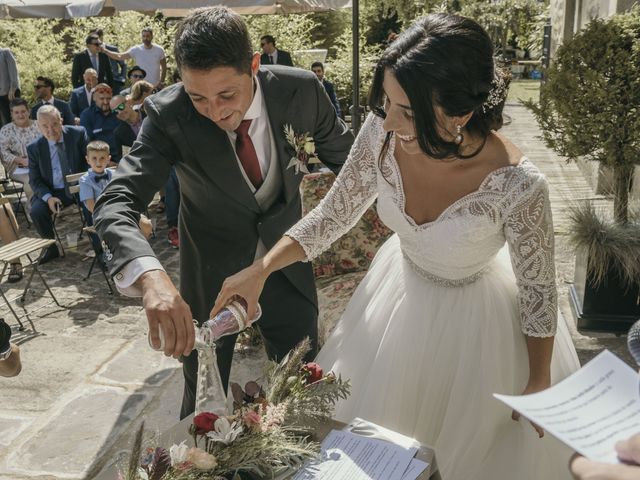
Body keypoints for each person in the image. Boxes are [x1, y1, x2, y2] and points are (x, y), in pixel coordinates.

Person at [213, 13, 581, 480]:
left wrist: (538, 381)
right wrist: (261, 269)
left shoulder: (520, 186)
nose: (386, 121)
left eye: (405, 111)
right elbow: (333, 214)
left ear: (460, 114)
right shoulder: (379, 133)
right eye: (385, 101)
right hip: (395, 303)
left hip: (481, 334)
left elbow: (538, 292)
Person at [93, 6, 353, 420]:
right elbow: (115, 202)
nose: (214, 111)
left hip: (285, 269)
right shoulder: (168, 114)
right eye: (199, 97)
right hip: (208, 280)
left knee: (303, 393)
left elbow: (353, 169)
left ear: (253, 65)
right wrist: (151, 278)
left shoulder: (301, 91)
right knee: (203, 407)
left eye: (226, 95)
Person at [27, 105, 88, 264]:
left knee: (92, 205)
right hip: (53, 191)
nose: (50, 130)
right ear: (38, 127)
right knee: (37, 211)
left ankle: (101, 248)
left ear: (61, 121)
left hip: (79, 186)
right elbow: (35, 180)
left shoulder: (78, 134)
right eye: (45, 126)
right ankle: (51, 248)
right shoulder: (34, 148)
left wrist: (86, 185)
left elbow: (89, 163)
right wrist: (48, 198)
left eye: (54, 124)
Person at [0, 98, 41, 213]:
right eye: (16, 112)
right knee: (31, 178)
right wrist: (20, 160)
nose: (20, 115)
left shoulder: (39, 125)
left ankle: (47, 204)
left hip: (41, 163)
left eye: (23, 111)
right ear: (12, 114)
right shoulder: (6, 130)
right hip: (18, 168)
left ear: (29, 111)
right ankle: (32, 209)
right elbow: (3, 152)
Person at [101, 28, 166, 89]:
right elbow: (120, 57)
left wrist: (161, 81)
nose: (145, 38)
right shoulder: (136, 50)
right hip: (140, 87)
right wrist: (105, 51)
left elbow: (164, 67)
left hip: (156, 86)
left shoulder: (159, 50)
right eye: (144, 36)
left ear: (152, 37)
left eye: (148, 36)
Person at [80, 83, 120, 163]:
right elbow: (89, 144)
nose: (105, 102)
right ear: (94, 98)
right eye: (102, 99)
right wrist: (107, 162)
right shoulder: (87, 115)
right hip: (100, 160)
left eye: (108, 98)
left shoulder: (118, 111)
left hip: (121, 157)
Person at [93, 29, 127, 94]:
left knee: (117, 103)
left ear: (101, 37)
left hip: (115, 82)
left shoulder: (113, 49)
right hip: (98, 84)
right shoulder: (91, 52)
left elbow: (123, 64)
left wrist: (122, 78)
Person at [0, 48, 20, 128]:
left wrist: (13, 88)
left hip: (10, 93)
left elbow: (13, 71)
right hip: (0, 95)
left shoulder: (5, 52)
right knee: (5, 123)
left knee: (17, 118)